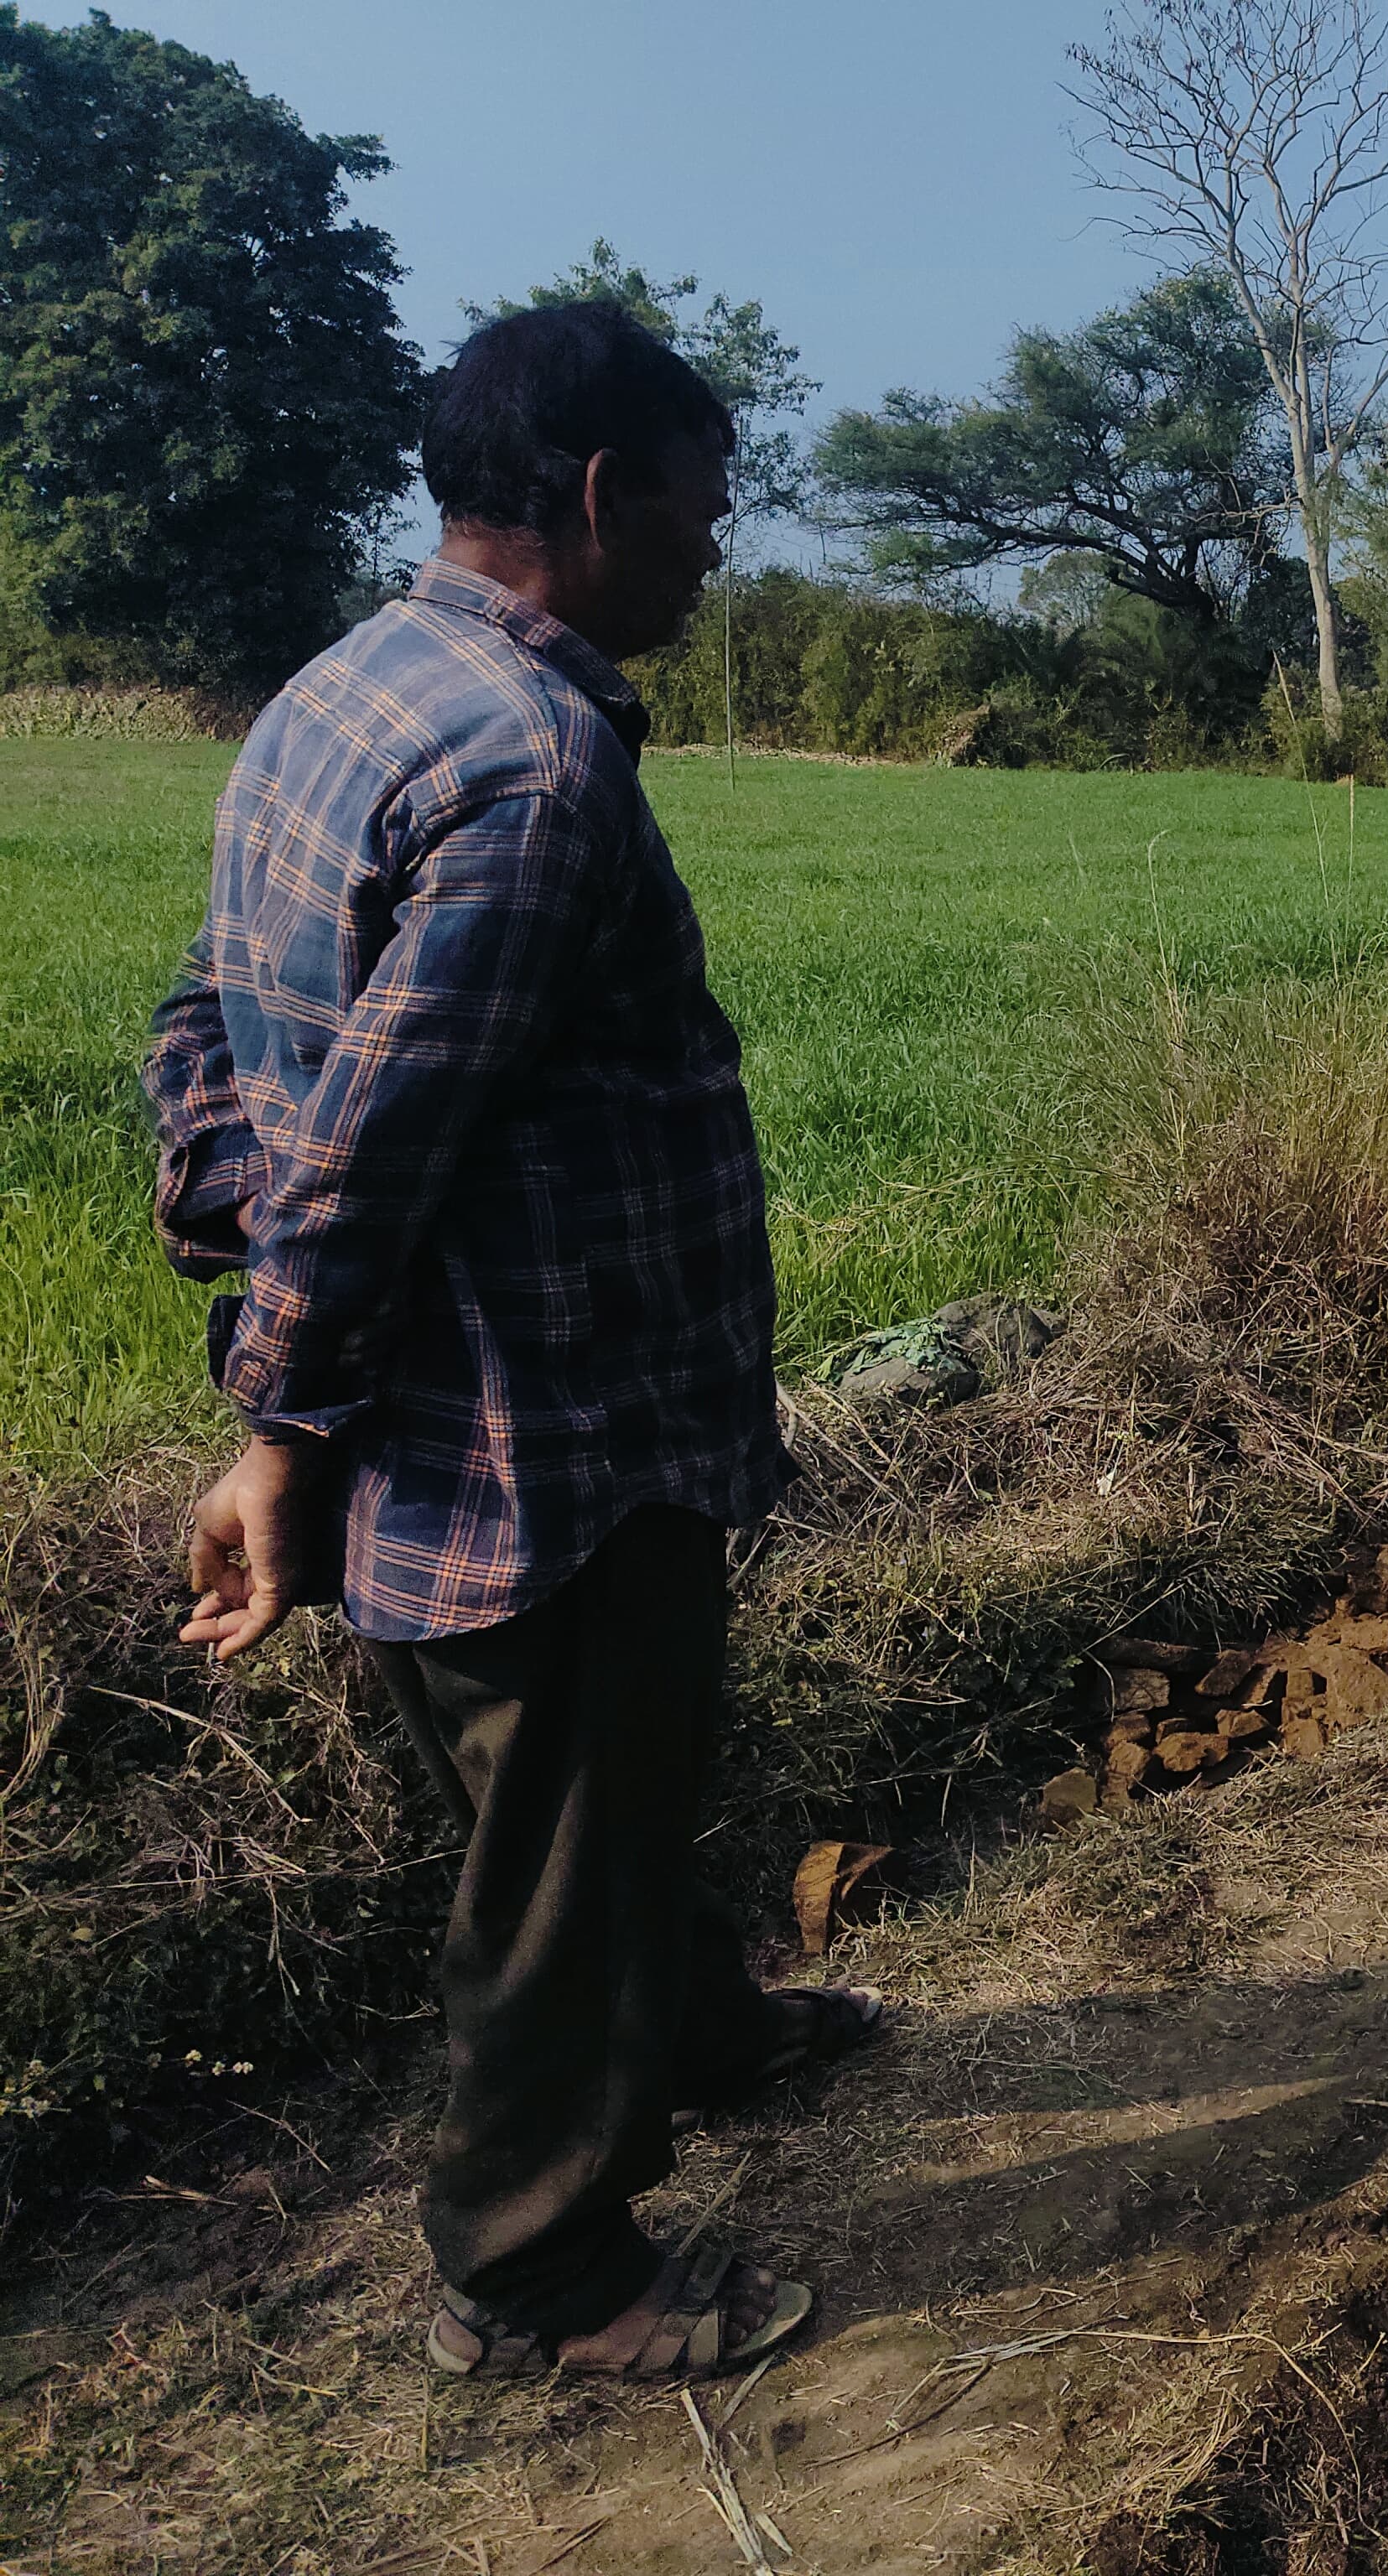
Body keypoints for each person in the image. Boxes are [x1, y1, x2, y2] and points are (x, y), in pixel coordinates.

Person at [141, 303, 882, 2385]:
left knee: (632, 1770)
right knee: (556, 1844)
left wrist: (229, 1227)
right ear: (597, 492)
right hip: (526, 1434)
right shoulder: (536, 763)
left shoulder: (339, 690)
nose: (715, 557)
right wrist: (277, 1425)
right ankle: (538, 2264)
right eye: (702, 511)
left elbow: (201, 1021)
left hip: (486, 1409)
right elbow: (376, 1146)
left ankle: (711, 2036)